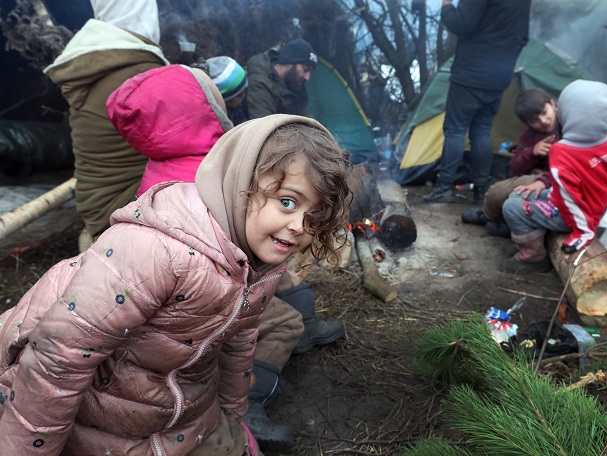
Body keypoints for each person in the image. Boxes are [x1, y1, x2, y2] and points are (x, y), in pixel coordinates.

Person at [0, 114, 353, 455]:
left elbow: (240, 343)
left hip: (176, 407)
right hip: (78, 411)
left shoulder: (262, 266)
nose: (299, 226)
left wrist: (233, 413)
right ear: (240, 183)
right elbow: (57, 361)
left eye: (314, 216)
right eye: (287, 202)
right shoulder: (154, 251)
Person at [105, 65, 339, 451]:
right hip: (201, 299)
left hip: (174, 313)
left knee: (281, 279)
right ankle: (253, 406)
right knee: (286, 321)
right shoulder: (221, 166)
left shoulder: (161, 163)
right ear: (204, 108)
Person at [43, 0, 168, 252]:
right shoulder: (137, 67)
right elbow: (185, 139)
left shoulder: (96, 60)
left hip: (94, 201)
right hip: (119, 203)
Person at [500, 79, 607, 273]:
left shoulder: (562, 151)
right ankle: (528, 240)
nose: (544, 121)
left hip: (575, 216)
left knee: (512, 207)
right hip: (588, 208)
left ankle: (534, 257)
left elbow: (569, 198)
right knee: (518, 195)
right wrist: (599, 208)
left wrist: (584, 230)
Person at [422, 0, 531, 205]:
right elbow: (523, 37)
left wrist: (446, 6)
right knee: (481, 131)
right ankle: (481, 190)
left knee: (455, 130)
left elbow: (461, 24)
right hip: (499, 77)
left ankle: (444, 188)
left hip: (470, 73)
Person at [461, 88, 560, 237]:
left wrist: (544, 181)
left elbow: (573, 165)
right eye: (534, 120)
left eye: (545, 113)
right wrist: (532, 152)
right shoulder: (529, 134)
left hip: (557, 177)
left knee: (523, 190)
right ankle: (489, 216)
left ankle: (512, 224)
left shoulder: (566, 124)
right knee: (496, 192)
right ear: (527, 123)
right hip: (536, 174)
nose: (543, 121)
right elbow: (515, 168)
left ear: (552, 104)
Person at [246, 38, 318, 120]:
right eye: (305, 69)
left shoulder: (292, 84)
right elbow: (264, 125)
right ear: (288, 63)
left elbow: (305, 116)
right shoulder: (260, 83)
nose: (307, 77)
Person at [206, 56, 250, 125]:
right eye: (239, 95)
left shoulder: (242, 106)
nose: (244, 96)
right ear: (223, 100)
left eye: (245, 90)